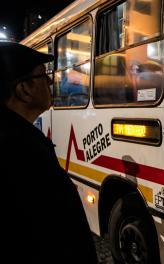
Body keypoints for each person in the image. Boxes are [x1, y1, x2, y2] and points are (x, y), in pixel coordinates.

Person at [0, 41, 97, 263]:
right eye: (43, 76)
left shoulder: (18, 141)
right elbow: (56, 236)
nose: (51, 82)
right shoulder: (24, 155)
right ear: (23, 90)